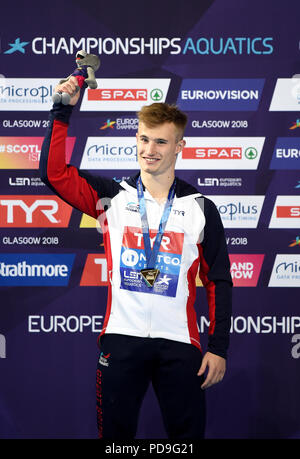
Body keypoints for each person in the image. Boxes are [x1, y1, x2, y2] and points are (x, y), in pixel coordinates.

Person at [40, 76, 232, 439]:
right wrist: (62, 110)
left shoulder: (201, 208)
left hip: (180, 346)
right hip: (121, 341)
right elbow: (53, 174)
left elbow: (219, 281)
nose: (150, 149)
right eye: (144, 139)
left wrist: (218, 347)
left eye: (161, 141)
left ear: (180, 146)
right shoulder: (110, 197)